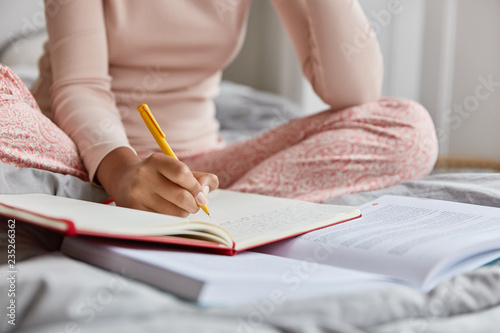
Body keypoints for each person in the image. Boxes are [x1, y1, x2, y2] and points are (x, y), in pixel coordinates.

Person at [30, 0, 438, 217]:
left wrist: (193, 188)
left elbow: (354, 90)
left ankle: (222, 213)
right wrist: (123, 174)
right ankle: (198, 212)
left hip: (203, 168)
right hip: (87, 156)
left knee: (408, 129)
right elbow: (81, 86)